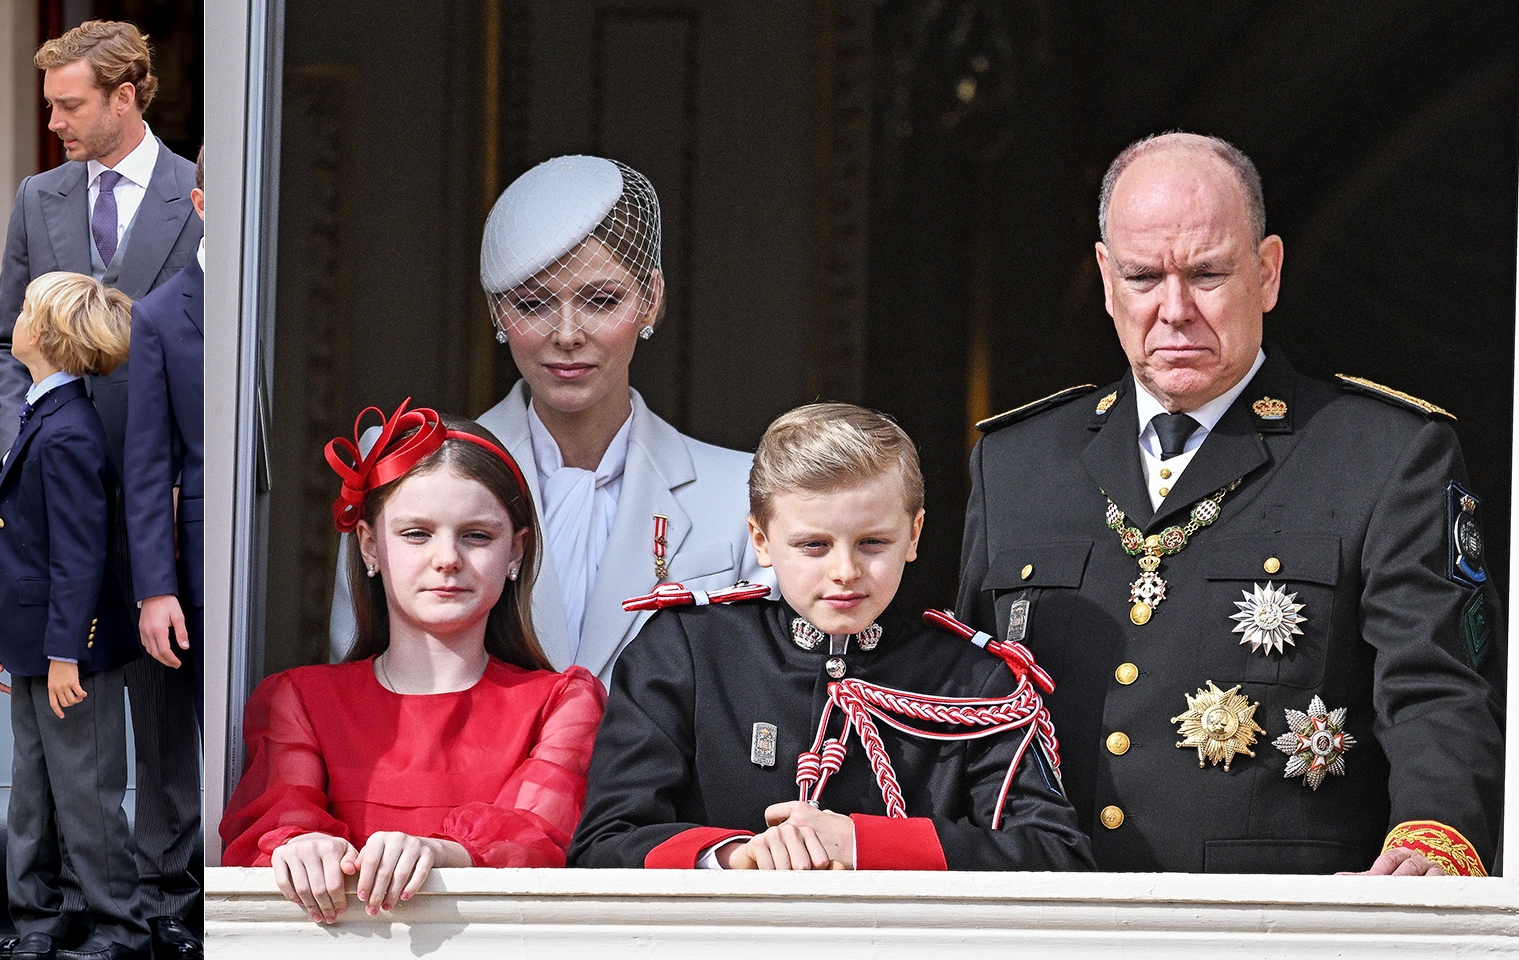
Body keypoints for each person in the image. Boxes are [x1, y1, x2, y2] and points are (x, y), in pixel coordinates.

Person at [957, 132, 1504, 875]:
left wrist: (1432, 836)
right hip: (1047, 913)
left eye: (1207, 273)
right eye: (1144, 276)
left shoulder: (1384, 455)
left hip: (1276, 921)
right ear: (1106, 279)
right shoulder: (1016, 462)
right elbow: (963, 699)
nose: (1174, 309)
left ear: (1268, 273)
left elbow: (1438, 686)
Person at [570, 404, 1091, 871]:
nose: (845, 570)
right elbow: (604, 844)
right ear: (761, 540)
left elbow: (1054, 855)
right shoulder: (683, 653)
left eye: (872, 542)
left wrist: (861, 844)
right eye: (813, 545)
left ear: (914, 534)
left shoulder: (975, 678)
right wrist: (733, 858)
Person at [331, 155, 765, 685]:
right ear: (496, 311)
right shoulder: (406, 468)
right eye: (534, 304)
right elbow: (357, 681)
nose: (567, 334)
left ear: (651, 300)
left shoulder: (741, 490)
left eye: (602, 300)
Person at [0, 25, 203, 950]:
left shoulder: (199, 194)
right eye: (50, 103)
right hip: (60, 485)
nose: (54, 121)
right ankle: (80, 897)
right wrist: (24, 434)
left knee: (160, 709)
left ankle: (167, 897)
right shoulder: (40, 197)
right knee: (67, 722)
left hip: (163, 498)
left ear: (127, 98)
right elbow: (4, 342)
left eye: (70, 104)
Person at [221, 402, 606, 923]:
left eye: (476, 535)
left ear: (515, 552)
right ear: (369, 546)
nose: (447, 558)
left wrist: (441, 854)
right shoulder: (300, 699)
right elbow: (274, 817)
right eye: (416, 534)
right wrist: (301, 846)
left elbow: (537, 835)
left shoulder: (563, 702)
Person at [0, 272, 146, 960]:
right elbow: (13, 538)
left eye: (23, 312)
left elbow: (81, 558)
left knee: (87, 793)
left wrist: (68, 652)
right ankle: (40, 920)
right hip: (32, 644)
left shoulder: (68, 430)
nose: (11, 319)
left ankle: (121, 929)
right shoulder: (46, 413)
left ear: (39, 334)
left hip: (68, 652)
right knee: (35, 793)